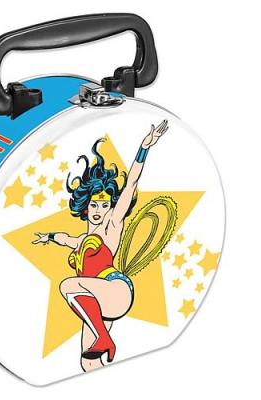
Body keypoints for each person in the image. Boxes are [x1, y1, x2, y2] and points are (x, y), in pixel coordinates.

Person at [32, 120, 169, 371]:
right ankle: (103, 347)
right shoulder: (80, 241)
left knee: (68, 285)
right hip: (96, 303)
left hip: (115, 289)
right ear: (85, 206)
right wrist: (48, 237)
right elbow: (64, 238)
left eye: (104, 205)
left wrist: (144, 148)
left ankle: (104, 338)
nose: (98, 210)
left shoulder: (112, 227)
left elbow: (130, 185)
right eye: (94, 204)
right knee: (88, 361)